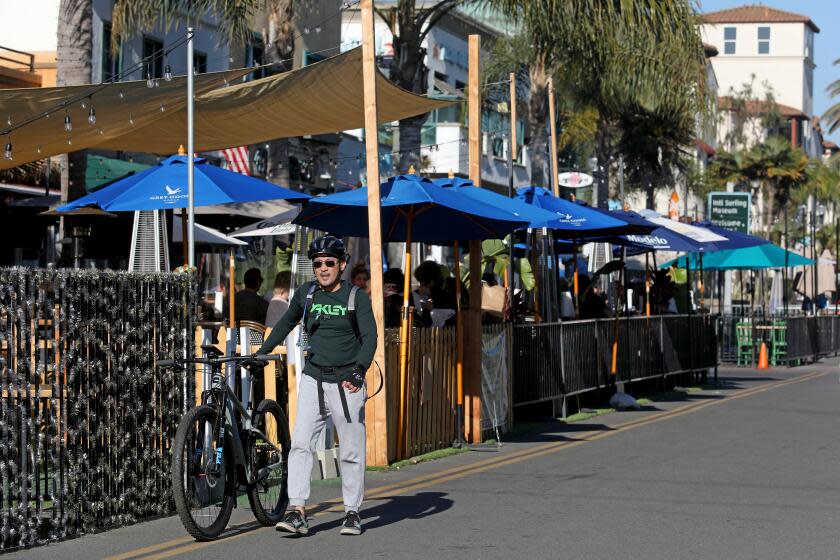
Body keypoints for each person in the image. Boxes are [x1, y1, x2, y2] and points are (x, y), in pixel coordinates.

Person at [258, 236, 376, 537]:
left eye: (329, 263)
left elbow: (370, 339)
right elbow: (285, 323)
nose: (323, 268)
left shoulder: (356, 297)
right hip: (313, 378)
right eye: (318, 263)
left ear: (342, 265)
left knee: (350, 450)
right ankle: (297, 511)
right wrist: (263, 351)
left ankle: (352, 512)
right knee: (300, 444)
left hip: (346, 382)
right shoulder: (307, 294)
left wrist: (359, 372)